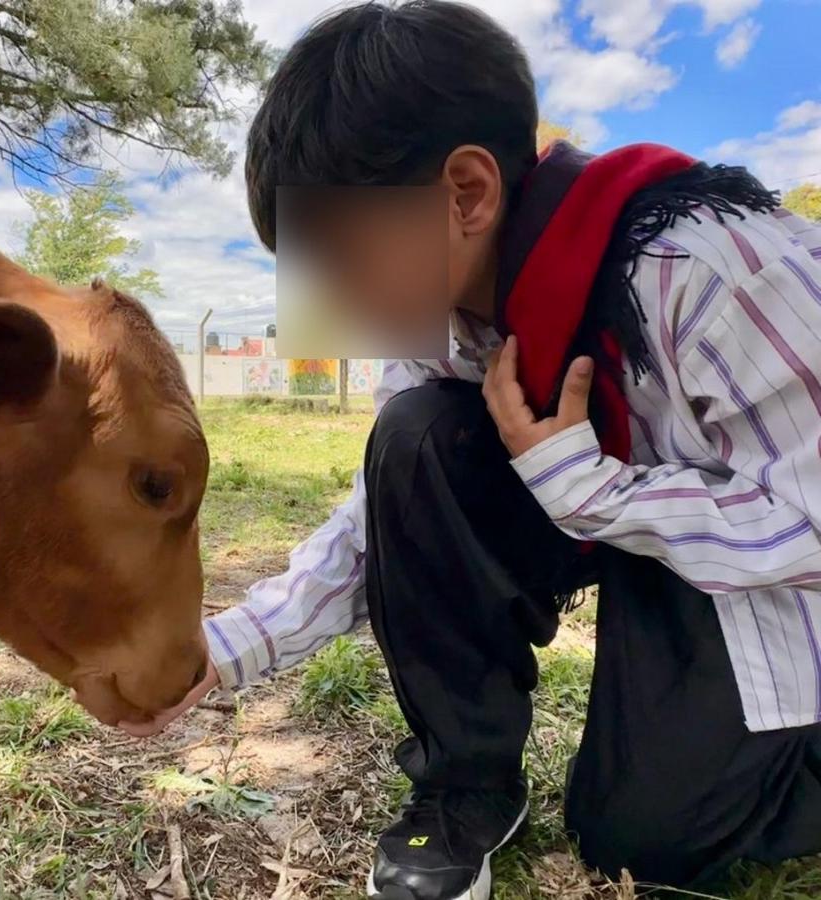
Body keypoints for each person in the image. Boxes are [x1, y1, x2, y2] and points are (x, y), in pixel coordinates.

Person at [122, 3, 821, 898]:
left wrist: (595, 493)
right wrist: (225, 647)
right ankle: (465, 787)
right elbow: (383, 523)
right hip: (643, 532)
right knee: (414, 438)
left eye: (339, 258)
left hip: (765, 568)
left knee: (643, 840)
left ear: (465, 194)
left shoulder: (710, 271)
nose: (326, 301)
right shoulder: (442, 327)